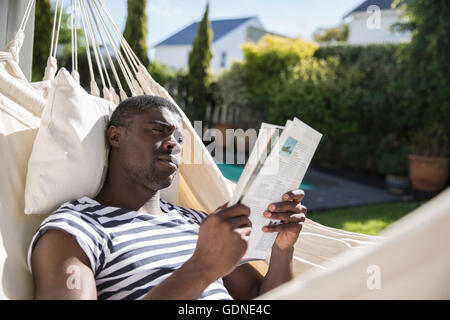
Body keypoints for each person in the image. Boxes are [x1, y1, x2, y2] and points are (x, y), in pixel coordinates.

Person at [28, 95, 308, 300]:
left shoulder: (200, 222)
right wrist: (202, 268)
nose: (174, 143)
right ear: (115, 136)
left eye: (180, 138)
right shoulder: (77, 228)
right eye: (158, 131)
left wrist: (282, 250)